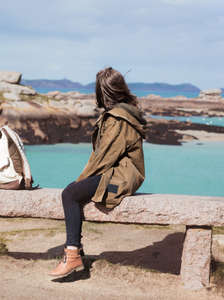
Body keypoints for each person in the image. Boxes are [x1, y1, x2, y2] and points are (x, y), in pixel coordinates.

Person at [49, 67, 147, 277]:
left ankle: (73, 255)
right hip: (123, 172)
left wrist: (80, 182)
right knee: (75, 191)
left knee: (70, 194)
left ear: (103, 92)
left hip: (122, 176)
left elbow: (104, 158)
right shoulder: (124, 111)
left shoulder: (118, 119)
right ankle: (77, 251)